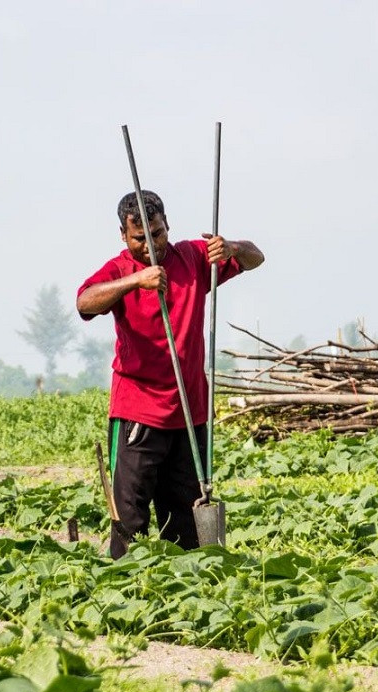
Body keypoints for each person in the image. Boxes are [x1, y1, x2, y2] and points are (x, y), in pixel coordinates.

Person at [76, 190, 265, 558]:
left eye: (157, 234)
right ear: (123, 235)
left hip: (189, 412)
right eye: (139, 239)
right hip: (138, 412)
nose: (150, 245)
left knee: (186, 521)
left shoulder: (192, 257)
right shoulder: (120, 269)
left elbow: (256, 257)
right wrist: (135, 281)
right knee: (128, 518)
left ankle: (188, 593)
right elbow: (84, 302)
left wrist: (232, 248)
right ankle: (126, 589)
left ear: (168, 227)